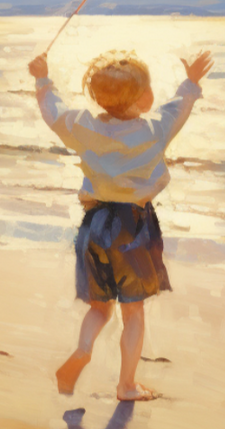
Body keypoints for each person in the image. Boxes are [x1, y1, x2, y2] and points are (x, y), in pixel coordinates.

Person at [26, 46, 213, 401]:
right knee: (134, 312)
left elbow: (53, 113)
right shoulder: (154, 130)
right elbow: (179, 108)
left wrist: (42, 79)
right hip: (134, 227)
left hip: (94, 224)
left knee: (100, 308)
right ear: (144, 100)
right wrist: (191, 82)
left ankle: (83, 350)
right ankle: (126, 386)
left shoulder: (82, 126)